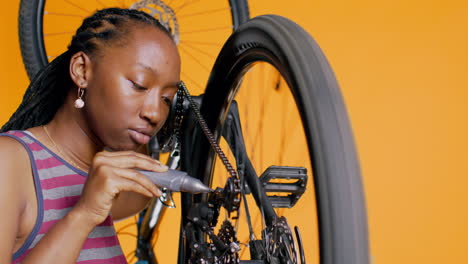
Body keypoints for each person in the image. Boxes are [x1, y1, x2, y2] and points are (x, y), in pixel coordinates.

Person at [0, 7, 181, 263]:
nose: (155, 113)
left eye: (166, 99)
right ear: (82, 70)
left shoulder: (106, 178)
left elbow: (143, 187)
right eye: (139, 85)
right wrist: (84, 213)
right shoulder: (9, 162)